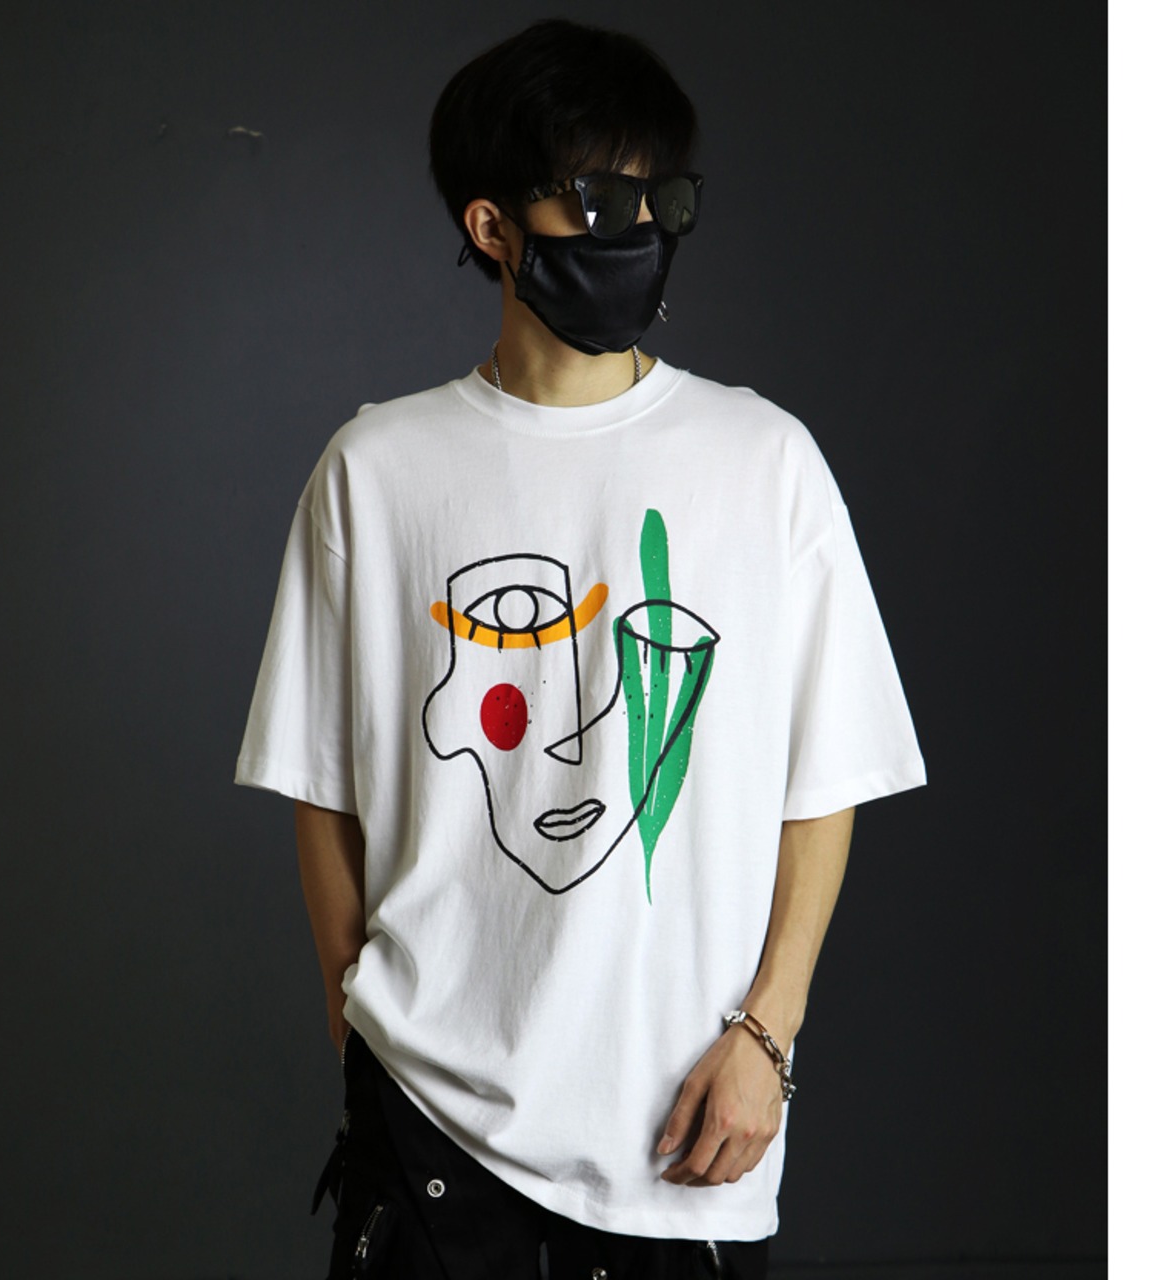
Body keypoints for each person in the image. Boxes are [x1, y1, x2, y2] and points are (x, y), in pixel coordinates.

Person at [234, 17, 926, 1279]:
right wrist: (361, 1026)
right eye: (600, 200)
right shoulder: (376, 470)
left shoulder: (761, 461)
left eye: (662, 201)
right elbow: (318, 784)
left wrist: (766, 1035)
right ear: (491, 225)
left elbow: (821, 778)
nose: (639, 231)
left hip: (684, 1132)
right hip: (429, 1134)